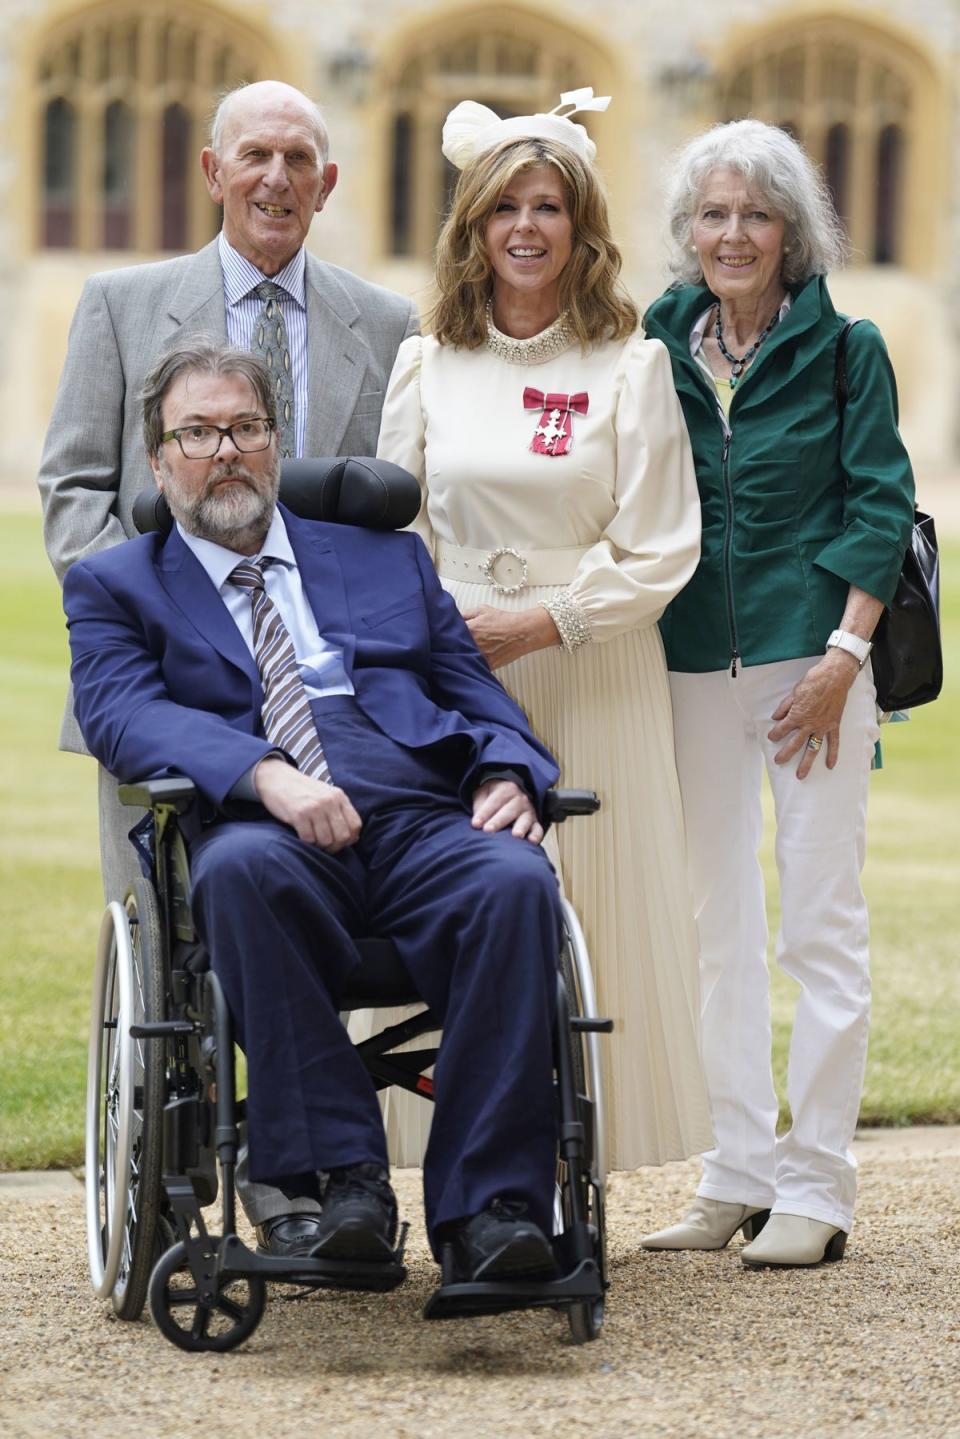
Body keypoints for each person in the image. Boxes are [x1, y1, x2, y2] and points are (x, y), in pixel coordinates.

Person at [62, 339, 566, 1284]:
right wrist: (267, 772)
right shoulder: (118, 585)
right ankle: (343, 1183)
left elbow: (473, 691)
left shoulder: (384, 560)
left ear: (276, 442)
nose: (225, 451)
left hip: (421, 812)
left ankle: (491, 1211)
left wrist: (507, 771)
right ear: (159, 459)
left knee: (515, 878)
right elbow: (122, 714)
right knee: (236, 873)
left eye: (245, 428)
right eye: (198, 432)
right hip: (270, 827)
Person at [376, 91, 714, 1172]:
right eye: (503, 207)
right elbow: (396, 531)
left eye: (549, 206)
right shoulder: (428, 356)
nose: (526, 227)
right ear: (473, 227)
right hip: (457, 674)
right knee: (461, 902)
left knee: (593, 907)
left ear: (583, 227)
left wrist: (543, 620)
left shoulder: (632, 363)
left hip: (593, 667)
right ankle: (461, 1163)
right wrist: (444, 636)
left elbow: (664, 546)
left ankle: (575, 1161)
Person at [640, 119, 915, 1267]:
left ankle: (820, 1181)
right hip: (696, 657)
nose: (734, 234)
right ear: (688, 232)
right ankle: (737, 1171)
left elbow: (879, 506)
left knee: (819, 924)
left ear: (793, 231)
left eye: (757, 213)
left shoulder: (847, 347)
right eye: (714, 213)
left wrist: (841, 661)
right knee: (715, 927)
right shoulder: (656, 338)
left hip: (819, 664)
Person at [38, 78, 417, 905]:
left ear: (328, 182)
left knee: (345, 925)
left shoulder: (391, 324)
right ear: (214, 172)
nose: (276, 178)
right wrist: (153, 624)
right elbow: (72, 486)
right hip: (164, 677)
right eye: (255, 156)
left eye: (298, 159)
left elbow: (390, 507)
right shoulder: (120, 305)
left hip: (329, 683)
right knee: (162, 924)